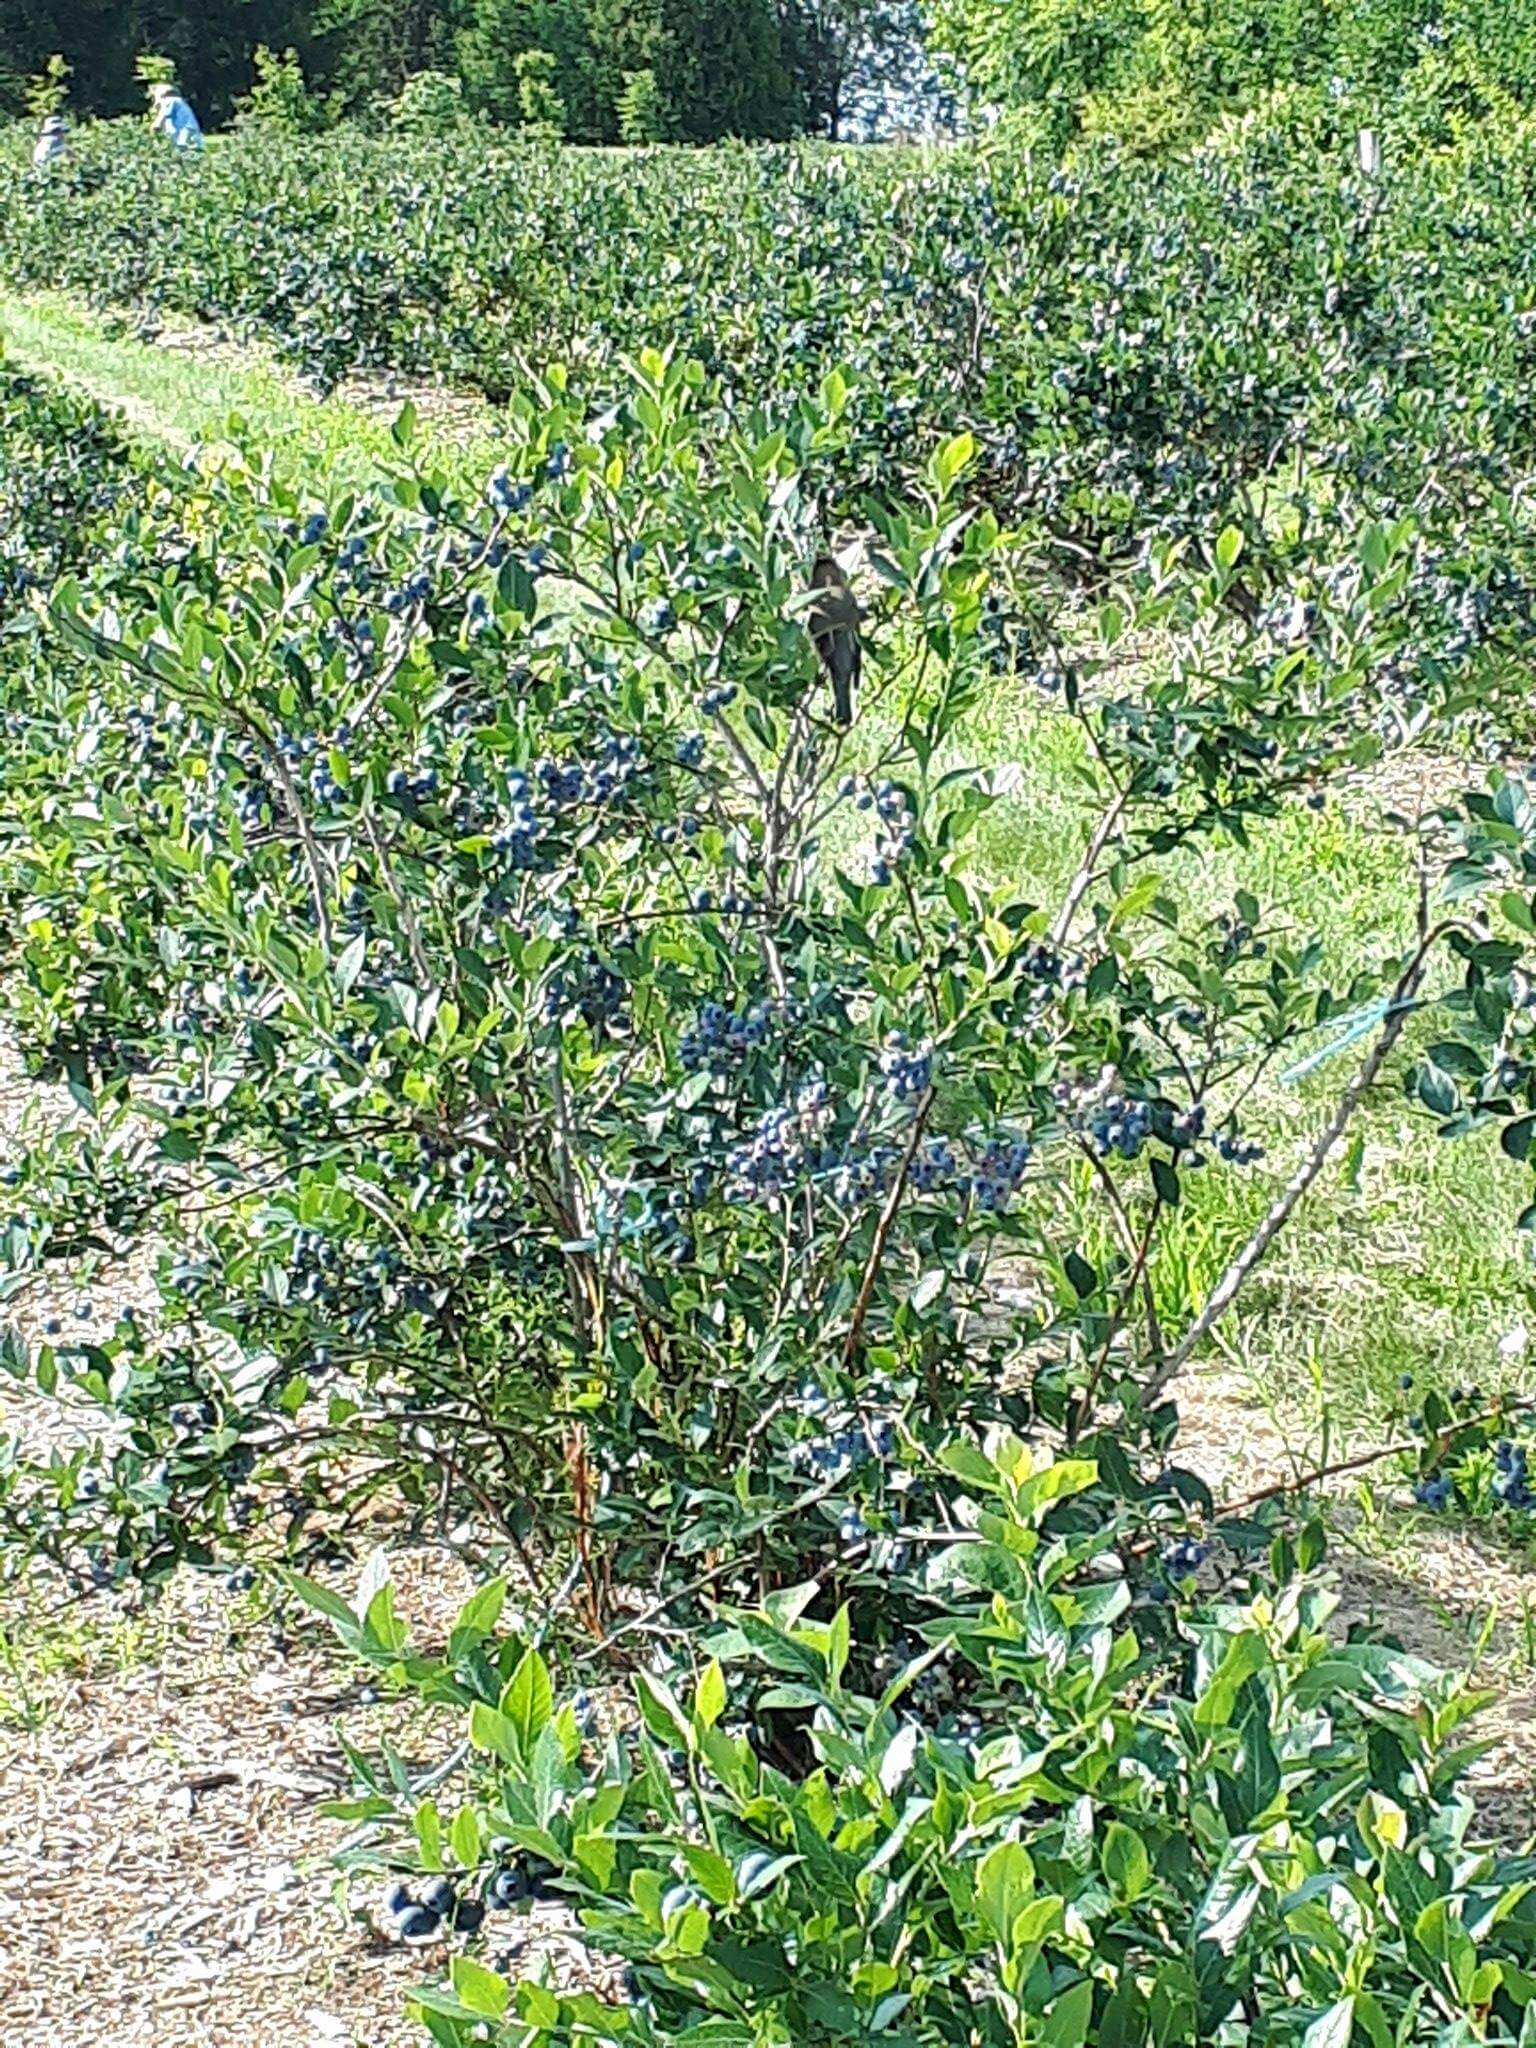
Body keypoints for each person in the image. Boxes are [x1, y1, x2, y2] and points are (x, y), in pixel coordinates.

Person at [151, 81, 203, 150]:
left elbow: (158, 123)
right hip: (193, 137)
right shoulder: (180, 102)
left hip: (184, 139)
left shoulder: (169, 101)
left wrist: (151, 132)